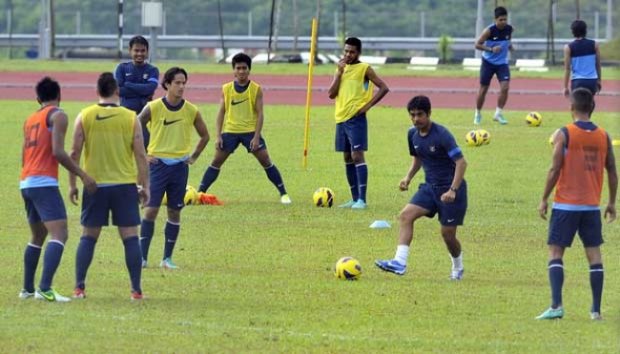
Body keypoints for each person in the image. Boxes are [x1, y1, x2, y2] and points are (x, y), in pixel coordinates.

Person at [536, 88, 617, 320]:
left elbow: (554, 169)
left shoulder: (564, 134)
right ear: (593, 107)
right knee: (594, 255)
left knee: (555, 251)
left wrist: (543, 198)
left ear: (571, 108)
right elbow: (612, 169)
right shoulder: (603, 135)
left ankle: (556, 306)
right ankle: (596, 311)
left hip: (566, 206)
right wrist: (611, 202)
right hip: (591, 207)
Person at [69, 72, 150, 300]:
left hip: (94, 185)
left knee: (88, 236)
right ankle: (136, 290)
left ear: (97, 91)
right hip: (124, 185)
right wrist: (145, 186)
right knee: (130, 237)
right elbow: (141, 155)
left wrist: (73, 184)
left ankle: (79, 287)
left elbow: (74, 153)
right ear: (117, 91)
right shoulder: (130, 117)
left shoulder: (85, 116)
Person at [19, 77, 96, 302]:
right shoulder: (58, 115)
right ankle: (44, 288)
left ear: (37, 98)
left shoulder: (31, 118)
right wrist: (83, 175)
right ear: (59, 95)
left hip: (26, 181)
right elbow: (58, 151)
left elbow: (24, 154)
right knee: (60, 233)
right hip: (43, 182)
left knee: (38, 235)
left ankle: (27, 289)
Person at [375, 95, 468, 280]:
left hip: (450, 191)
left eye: (420, 115)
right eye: (412, 115)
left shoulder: (442, 134)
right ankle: (399, 263)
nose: (416, 119)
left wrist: (453, 190)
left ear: (429, 114)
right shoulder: (412, 134)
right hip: (429, 188)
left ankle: (458, 267)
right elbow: (418, 157)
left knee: (448, 235)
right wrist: (408, 177)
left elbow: (462, 162)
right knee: (405, 215)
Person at [138, 67, 210, 270]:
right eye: (177, 82)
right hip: (157, 166)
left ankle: (167, 259)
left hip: (179, 167)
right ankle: (142, 258)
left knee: (174, 212)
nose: (181, 86)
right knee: (150, 210)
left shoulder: (191, 110)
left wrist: (193, 156)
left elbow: (205, 136)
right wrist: (144, 154)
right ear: (167, 84)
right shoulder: (153, 107)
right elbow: (135, 126)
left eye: (184, 82)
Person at [198, 53, 291, 204]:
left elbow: (260, 114)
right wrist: (219, 136)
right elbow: (221, 112)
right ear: (233, 71)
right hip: (230, 131)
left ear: (249, 70)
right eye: (238, 68)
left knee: (266, 160)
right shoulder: (226, 89)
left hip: (250, 132)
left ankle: (284, 194)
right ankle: (200, 193)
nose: (241, 71)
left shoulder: (256, 89)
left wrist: (256, 137)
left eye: (244, 68)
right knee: (216, 162)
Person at [327, 37, 389, 209]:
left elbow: (384, 87)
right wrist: (339, 73)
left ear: (359, 53)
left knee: (357, 155)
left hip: (356, 119)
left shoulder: (364, 69)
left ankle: (362, 200)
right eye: (346, 51)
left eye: (352, 51)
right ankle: (354, 199)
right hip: (340, 118)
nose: (348, 54)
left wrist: (367, 106)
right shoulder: (340, 68)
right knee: (347, 157)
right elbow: (331, 94)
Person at [115, 35, 159, 147]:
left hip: (143, 115)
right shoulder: (121, 68)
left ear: (147, 52)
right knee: (122, 149)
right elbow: (118, 91)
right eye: (136, 50)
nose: (139, 54)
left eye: (143, 51)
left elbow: (150, 88)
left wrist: (128, 84)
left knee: (146, 147)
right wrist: (142, 91)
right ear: (130, 51)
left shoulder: (152, 70)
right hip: (125, 115)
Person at [474, 6, 514, 125]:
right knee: (483, 89)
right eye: (501, 20)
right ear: (495, 19)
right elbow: (477, 45)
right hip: (488, 63)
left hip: (502, 63)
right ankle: (478, 113)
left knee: (505, 87)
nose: (503, 22)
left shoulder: (509, 29)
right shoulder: (489, 31)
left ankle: (498, 113)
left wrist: (510, 47)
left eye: (505, 19)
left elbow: (508, 40)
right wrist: (491, 49)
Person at [563, 20, 601, 98]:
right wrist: (599, 80)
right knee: (589, 104)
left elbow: (567, 69)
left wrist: (565, 87)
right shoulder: (594, 44)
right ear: (585, 30)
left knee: (577, 106)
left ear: (572, 31)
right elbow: (598, 65)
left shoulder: (568, 47)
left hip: (577, 81)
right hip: (592, 81)